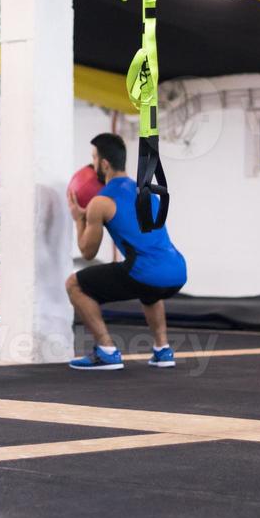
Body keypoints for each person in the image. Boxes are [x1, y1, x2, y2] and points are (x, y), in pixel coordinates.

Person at [65, 132, 187, 370]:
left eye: (94, 159)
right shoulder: (146, 191)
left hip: (147, 272)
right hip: (177, 270)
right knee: (149, 291)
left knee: (74, 284)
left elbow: (87, 252)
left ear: (104, 163)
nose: (92, 166)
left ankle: (107, 351)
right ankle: (163, 350)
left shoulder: (100, 202)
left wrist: (78, 218)